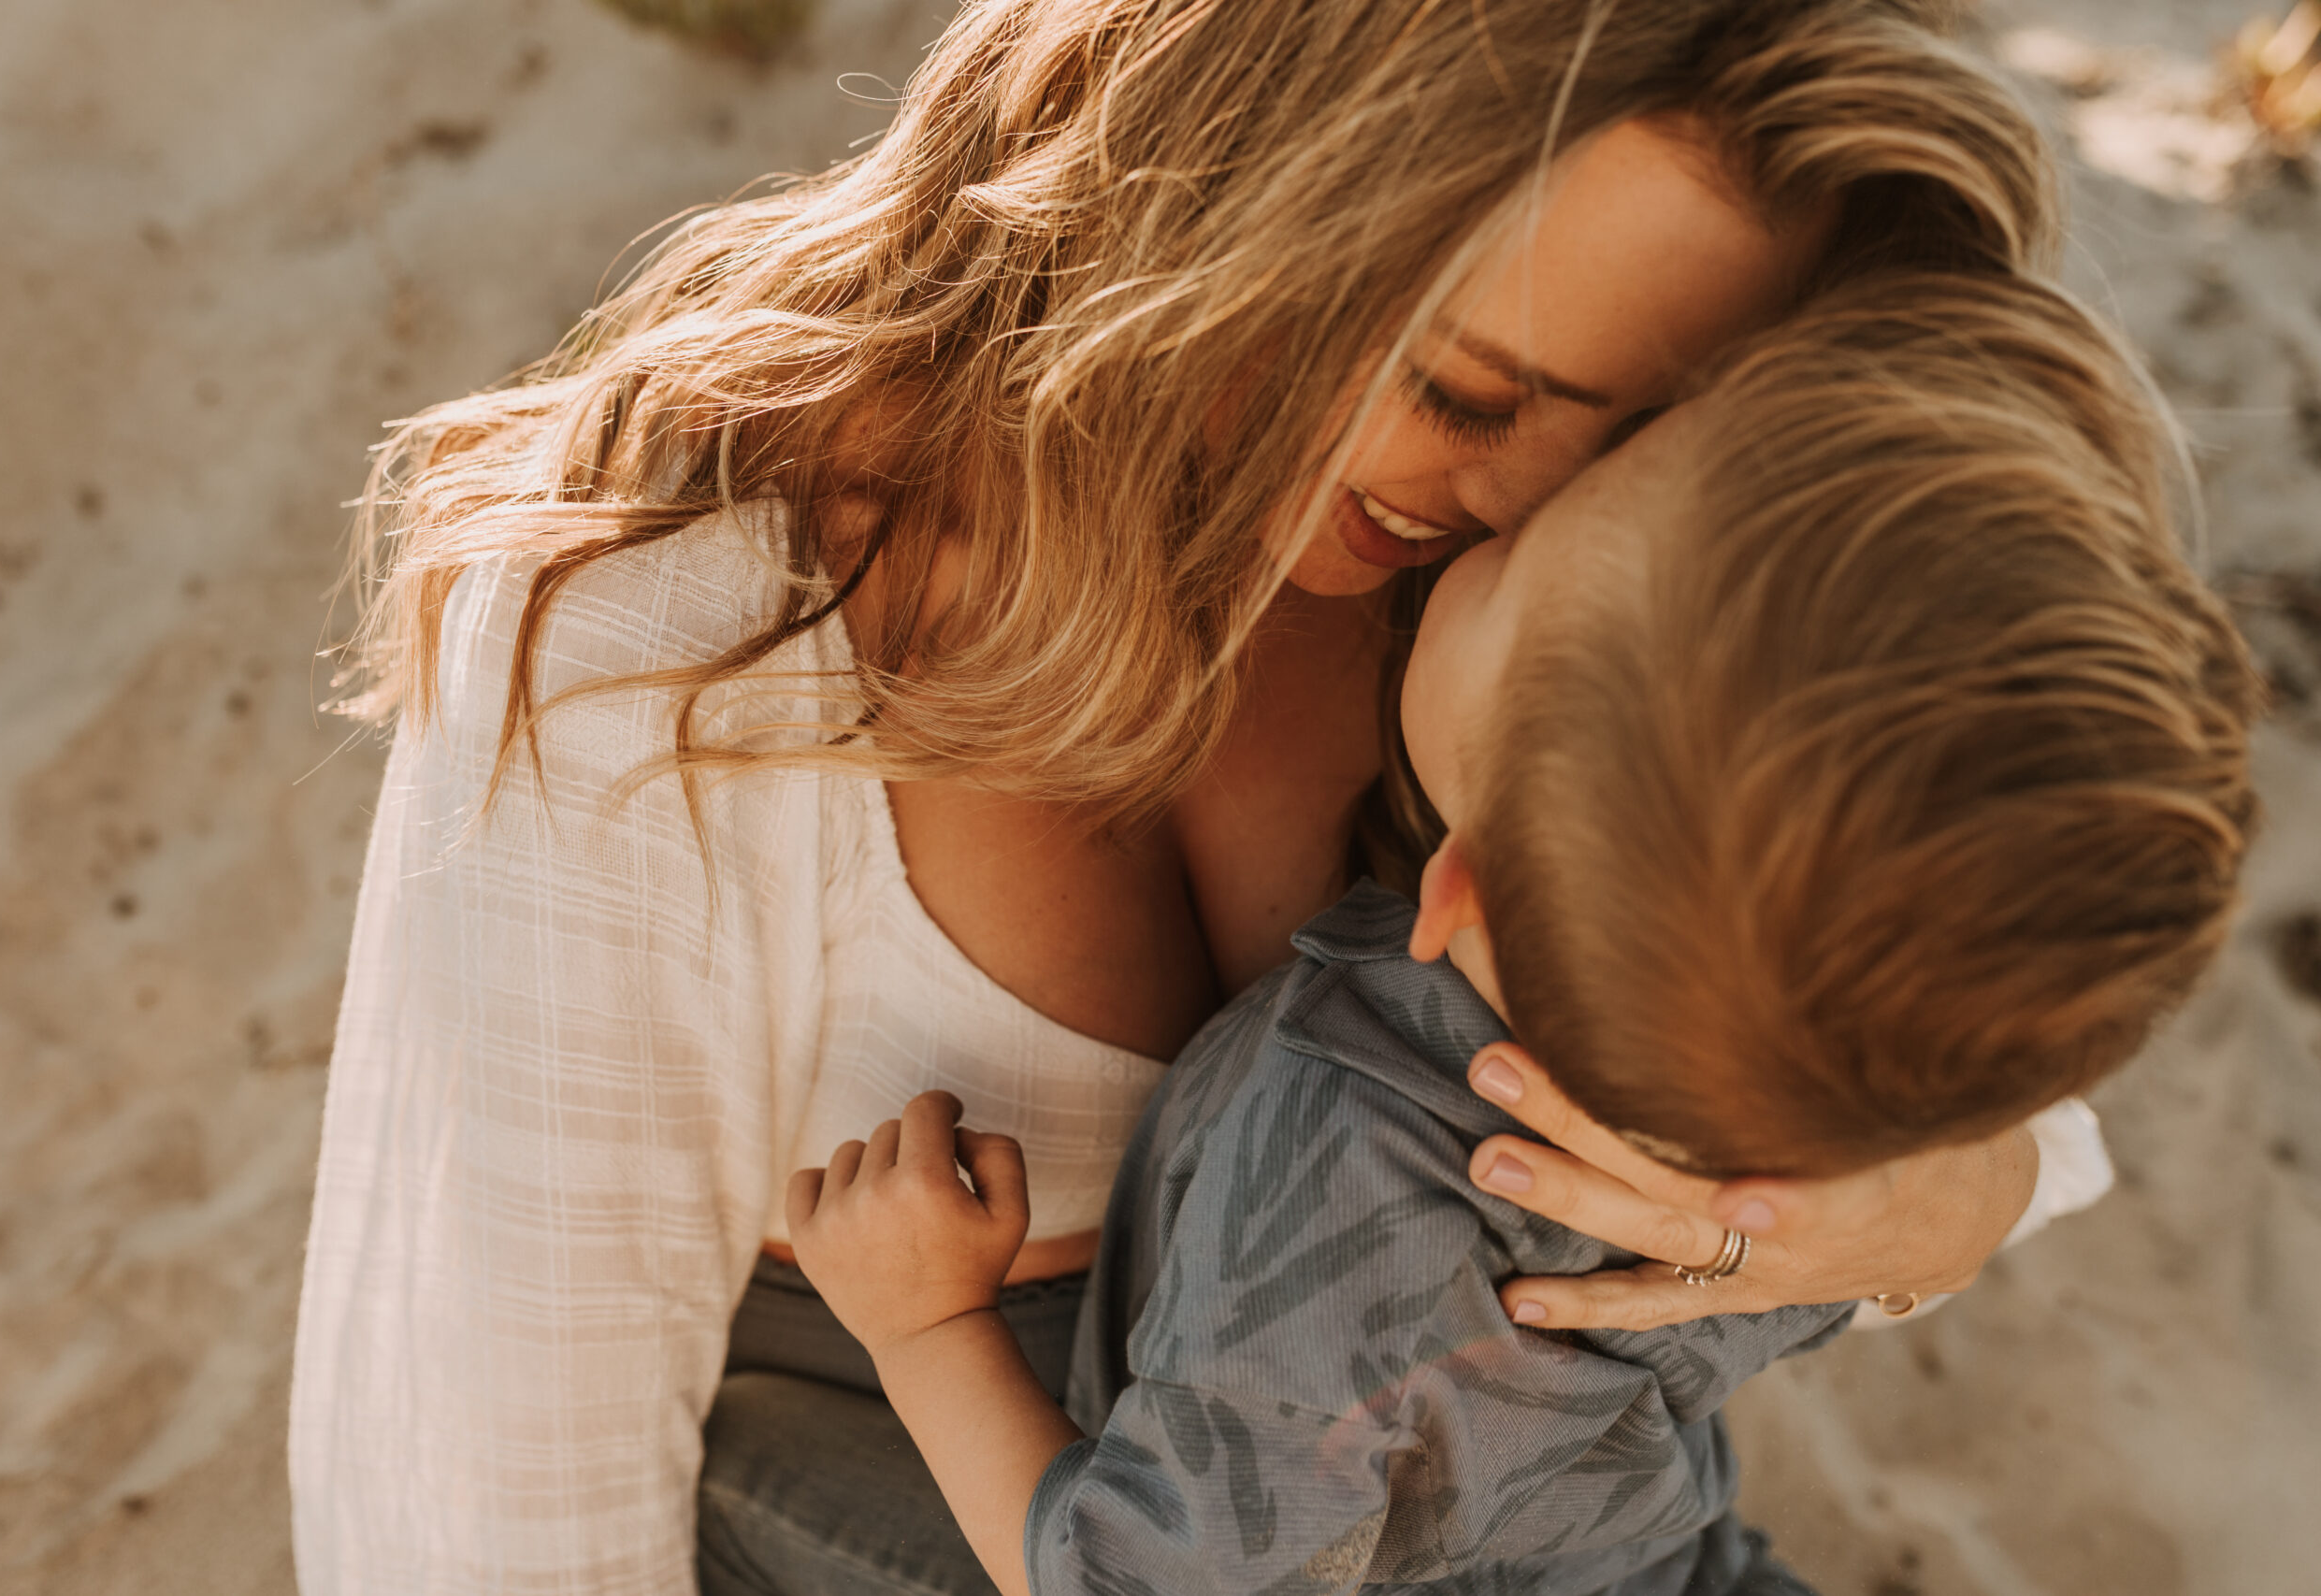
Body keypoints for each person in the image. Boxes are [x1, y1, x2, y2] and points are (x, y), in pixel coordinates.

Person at [291, 3, 2112, 1593]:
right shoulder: (666, 630)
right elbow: (488, 1493)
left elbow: (1963, 938)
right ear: (1236, 183)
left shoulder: (1558, 571)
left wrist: (1939, 1192)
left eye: (1640, 428)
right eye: (1465, 393)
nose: (1518, 500)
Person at [783, 270, 2261, 1596]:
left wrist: (924, 1327)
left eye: (1514, 575)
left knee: (751, 1475)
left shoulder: (1353, 1155)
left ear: (1456, 884)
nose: (1502, 524)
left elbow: (1125, 1579)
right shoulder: (1806, 1140)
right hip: (1676, 1569)